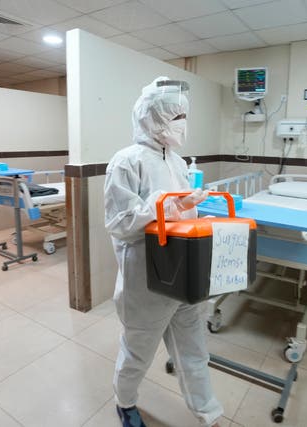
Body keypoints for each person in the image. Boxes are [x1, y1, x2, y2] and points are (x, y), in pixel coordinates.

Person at [104, 77, 223, 427]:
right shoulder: (126, 162)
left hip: (183, 273)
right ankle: (125, 404)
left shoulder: (178, 162)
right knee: (138, 352)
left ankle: (208, 412)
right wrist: (168, 208)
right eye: (175, 118)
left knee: (194, 351)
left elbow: (185, 215)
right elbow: (120, 223)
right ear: (151, 118)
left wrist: (191, 207)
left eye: (184, 117)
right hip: (145, 279)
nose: (181, 125)